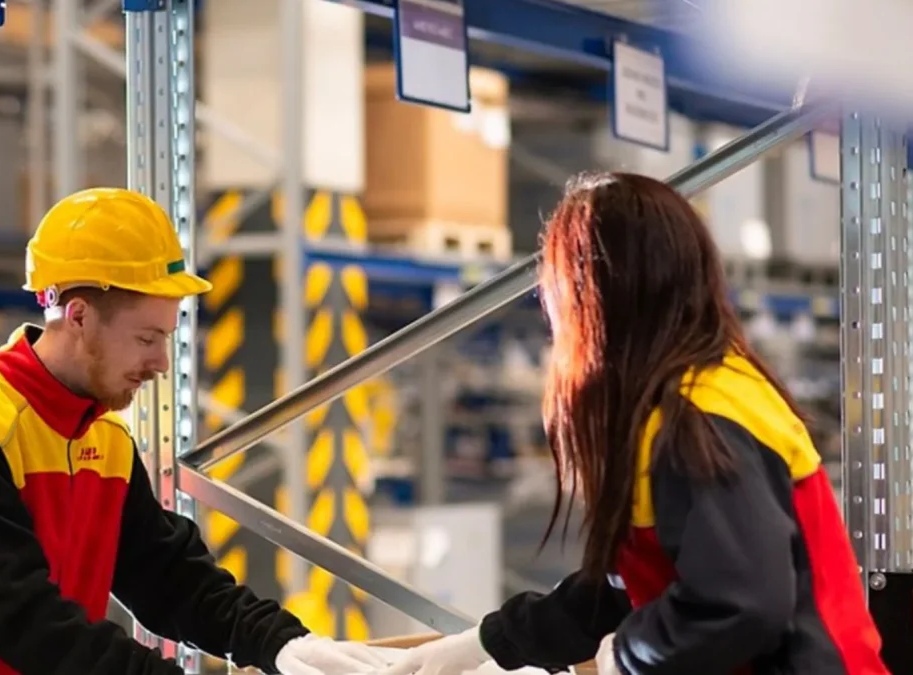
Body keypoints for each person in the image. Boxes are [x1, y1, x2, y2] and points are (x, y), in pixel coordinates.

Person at [0, 188, 389, 675]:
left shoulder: (105, 438)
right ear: (81, 316)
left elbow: (164, 575)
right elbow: (20, 616)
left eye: (167, 338)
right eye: (146, 337)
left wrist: (278, 644)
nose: (160, 362)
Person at [380, 172, 890, 675]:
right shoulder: (687, 397)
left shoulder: (699, 417)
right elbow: (628, 586)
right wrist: (492, 643)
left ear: (594, 293)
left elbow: (742, 602)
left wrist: (625, 655)